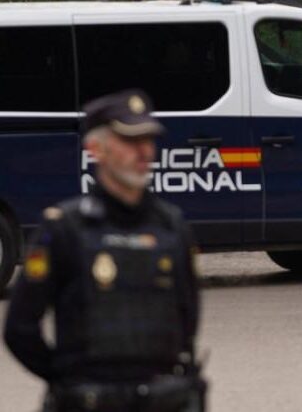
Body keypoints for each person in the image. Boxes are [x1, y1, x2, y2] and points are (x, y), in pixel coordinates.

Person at [4, 89, 203, 412]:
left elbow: (187, 318)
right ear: (96, 149)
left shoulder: (172, 227)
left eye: (148, 140)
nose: (144, 151)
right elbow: (20, 329)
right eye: (130, 141)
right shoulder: (65, 229)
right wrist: (67, 381)